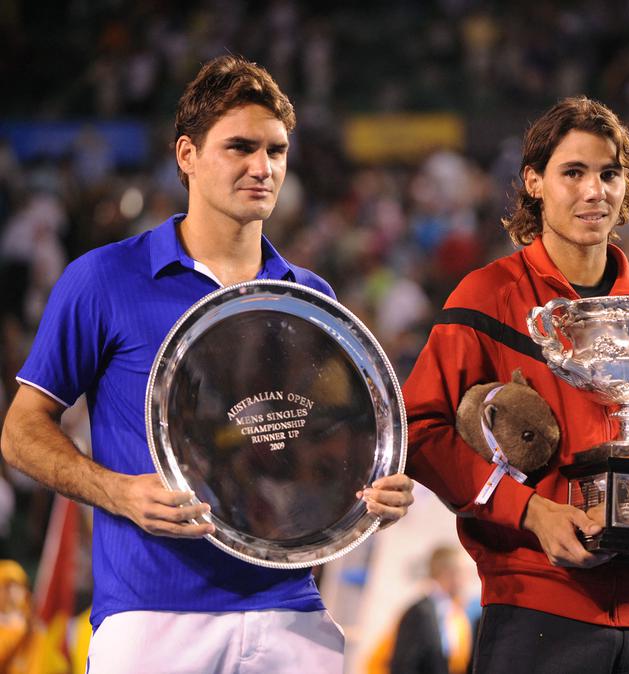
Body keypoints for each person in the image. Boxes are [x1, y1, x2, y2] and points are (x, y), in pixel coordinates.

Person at [0, 55, 414, 674]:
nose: (262, 167)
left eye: (276, 151)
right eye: (240, 147)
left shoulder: (309, 298)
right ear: (187, 155)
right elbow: (20, 433)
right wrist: (117, 492)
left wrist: (372, 498)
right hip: (153, 616)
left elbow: (325, 445)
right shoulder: (105, 278)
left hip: (292, 611)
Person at [403, 96, 629, 674]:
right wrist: (531, 512)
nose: (593, 191)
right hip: (537, 606)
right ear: (534, 181)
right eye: (572, 172)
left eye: (609, 174)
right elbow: (420, 429)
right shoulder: (485, 299)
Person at [387, 546, 473, 674]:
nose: (467, 580)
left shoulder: (454, 615)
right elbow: (403, 665)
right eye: (463, 572)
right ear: (447, 573)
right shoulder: (419, 613)